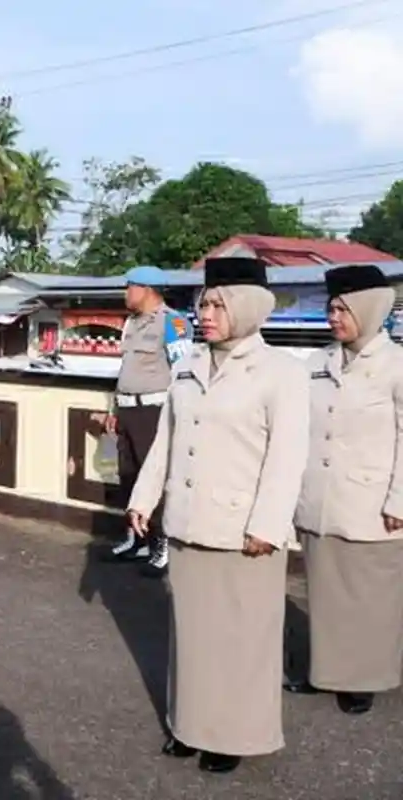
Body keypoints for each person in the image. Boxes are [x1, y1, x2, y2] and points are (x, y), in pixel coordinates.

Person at [128, 256, 309, 775]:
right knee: (193, 638)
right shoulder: (188, 366)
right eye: (204, 303)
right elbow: (167, 440)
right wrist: (144, 499)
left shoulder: (282, 373)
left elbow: (287, 456)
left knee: (240, 640)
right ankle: (190, 724)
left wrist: (268, 525)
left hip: (243, 531)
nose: (205, 314)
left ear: (249, 308)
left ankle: (232, 733)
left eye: (217, 304)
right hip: (188, 523)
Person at [290, 264, 403, 715]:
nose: (333, 317)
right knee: (326, 592)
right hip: (320, 499)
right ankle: (328, 670)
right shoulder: (317, 364)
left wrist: (400, 500)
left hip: (372, 501)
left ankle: (364, 676)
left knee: (369, 597)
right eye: (330, 308)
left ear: (371, 309)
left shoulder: (396, 365)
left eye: (343, 309)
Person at [106, 265, 193, 577]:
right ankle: (138, 540)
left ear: (147, 289)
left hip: (154, 411)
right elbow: (124, 371)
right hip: (128, 410)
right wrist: (114, 409)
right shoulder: (131, 323)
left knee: (155, 478)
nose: (126, 293)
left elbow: (183, 372)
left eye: (130, 287)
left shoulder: (174, 322)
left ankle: (163, 545)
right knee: (129, 476)